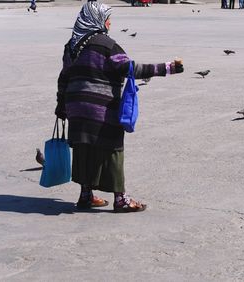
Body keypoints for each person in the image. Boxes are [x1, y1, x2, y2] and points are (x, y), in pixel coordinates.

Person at [54, 2, 184, 213]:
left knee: (84, 149)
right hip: (101, 107)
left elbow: (64, 77)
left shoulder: (72, 45)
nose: (110, 22)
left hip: (76, 108)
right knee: (112, 148)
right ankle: (121, 199)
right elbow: (129, 68)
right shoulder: (106, 44)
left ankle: (85, 195)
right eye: (107, 18)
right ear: (98, 19)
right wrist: (167, 68)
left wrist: (61, 105)